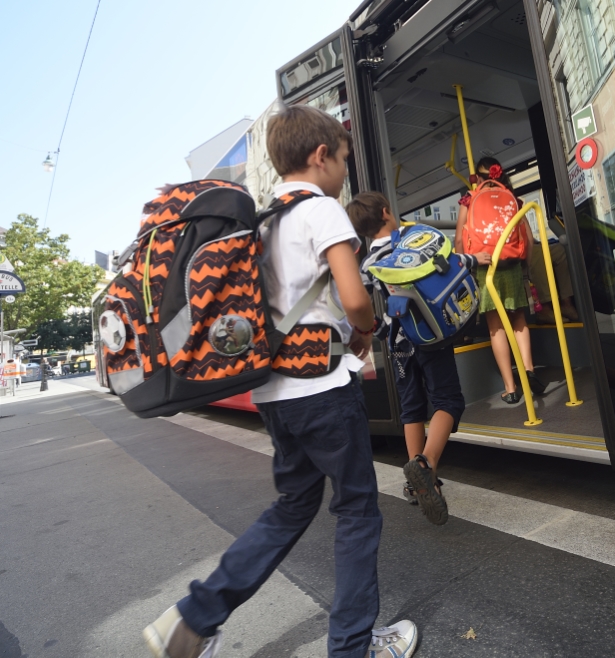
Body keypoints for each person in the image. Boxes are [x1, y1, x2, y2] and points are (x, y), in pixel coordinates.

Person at [143, 105, 417, 658]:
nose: (344, 170)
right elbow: (357, 298)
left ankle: (194, 618)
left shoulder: (263, 223)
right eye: (342, 158)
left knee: (293, 506)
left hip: (273, 392)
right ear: (322, 156)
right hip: (323, 390)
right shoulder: (324, 212)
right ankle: (353, 648)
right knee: (358, 511)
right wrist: (365, 330)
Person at [347, 192, 490, 525]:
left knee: (411, 407)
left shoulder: (369, 264)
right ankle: (425, 464)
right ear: (386, 212)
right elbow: (449, 263)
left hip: (398, 342)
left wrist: (379, 330)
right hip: (430, 336)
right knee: (448, 401)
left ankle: (415, 486)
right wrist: (475, 259)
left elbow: (360, 305)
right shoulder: (415, 236)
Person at [455, 157, 545, 404]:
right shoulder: (513, 199)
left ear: (478, 178)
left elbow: (460, 241)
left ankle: (510, 387)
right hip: (512, 264)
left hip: (485, 267)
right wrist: (523, 265)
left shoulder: (469, 199)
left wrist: (467, 262)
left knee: (496, 327)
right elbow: (528, 238)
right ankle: (529, 371)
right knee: (519, 320)